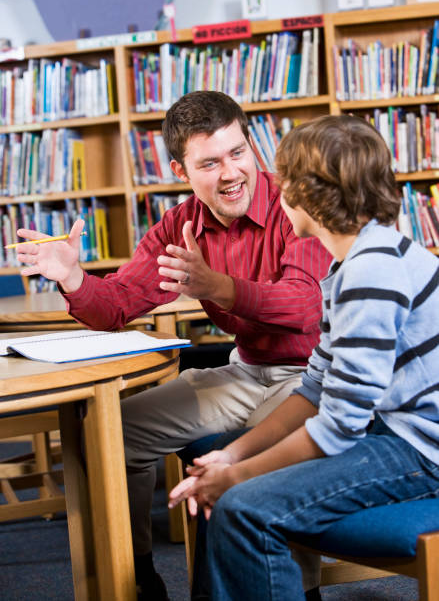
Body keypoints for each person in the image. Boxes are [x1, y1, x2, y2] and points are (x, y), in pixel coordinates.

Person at [15, 91, 332, 600]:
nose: (230, 173)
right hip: (247, 371)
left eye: (237, 152)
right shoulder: (179, 225)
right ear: (181, 169)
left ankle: (300, 590)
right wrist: (73, 277)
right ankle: (139, 577)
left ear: (254, 146)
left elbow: (302, 308)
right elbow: (114, 305)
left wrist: (216, 287)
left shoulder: (298, 203)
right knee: (110, 434)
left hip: (313, 376)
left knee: (255, 461)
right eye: (209, 162)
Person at [168, 114, 439, 600]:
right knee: (232, 494)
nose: (275, 190)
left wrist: (236, 476)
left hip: (419, 451)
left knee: (241, 507)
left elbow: (339, 426)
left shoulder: (371, 273)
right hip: (392, 435)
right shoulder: (352, 263)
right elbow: (315, 387)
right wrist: (232, 454)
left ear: (309, 194)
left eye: (284, 180)